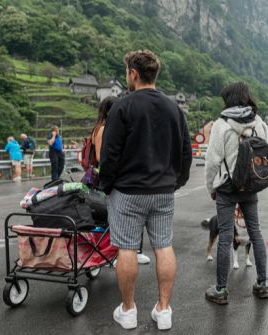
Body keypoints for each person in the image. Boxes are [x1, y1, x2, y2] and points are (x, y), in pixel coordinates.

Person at [99, 49, 192, 330]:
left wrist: (107, 186)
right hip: (163, 191)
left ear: (133, 73)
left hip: (128, 191)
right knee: (163, 246)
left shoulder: (123, 107)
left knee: (126, 248)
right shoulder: (174, 109)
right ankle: (163, 311)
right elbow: (185, 153)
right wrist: (175, 182)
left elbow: (110, 154)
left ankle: (128, 311)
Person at [204, 81, 268, 304]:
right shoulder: (260, 123)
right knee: (256, 233)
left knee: (225, 237)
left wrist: (211, 187)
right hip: (251, 186)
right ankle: (262, 284)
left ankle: (221, 290)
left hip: (227, 188)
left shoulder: (221, 125)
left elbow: (212, 161)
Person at [92, 96, 153, 265]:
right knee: (118, 217)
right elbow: (99, 156)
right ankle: (119, 253)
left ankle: (123, 252)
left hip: (110, 176)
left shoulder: (103, 126)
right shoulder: (104, 128)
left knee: (117, 217)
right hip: (107, 177)